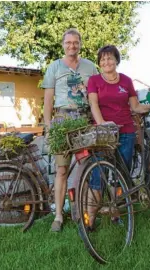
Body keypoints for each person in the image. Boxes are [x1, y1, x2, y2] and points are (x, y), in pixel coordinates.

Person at [41, 28, 98, 232]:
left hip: (84, 120)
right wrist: (49, 126)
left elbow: (96, 96)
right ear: (63, 45)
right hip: (62, 120)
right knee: (62, 169)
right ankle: (58, 216)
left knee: (87, 166)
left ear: (80, 44)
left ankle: (81, 208)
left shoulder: (90, 67)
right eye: (68, 43)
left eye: (75, 42)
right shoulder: (54, 67)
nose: (71, 46)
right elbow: (48, 100)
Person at [88, 45, 150, 173]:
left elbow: (135, 106)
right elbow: (93, 104)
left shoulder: (126, 81)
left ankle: (121, 192)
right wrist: (102, 125)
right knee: (99, 176)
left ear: (117, 60)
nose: (106, 62)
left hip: (126, 131)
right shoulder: (94, 80)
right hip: (103, 133)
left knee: (123, 173)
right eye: (102, 59)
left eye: (109, 58)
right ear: (99, 63)